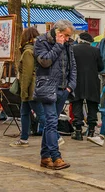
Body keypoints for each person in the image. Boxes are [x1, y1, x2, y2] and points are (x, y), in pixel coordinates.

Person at [33, 20, 76, 170]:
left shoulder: (68, 43)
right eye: (66, 35)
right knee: (51, 122)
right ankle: (56, 157)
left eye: (69, 36)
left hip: (63, 89)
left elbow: (72, 65)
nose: (68, 38)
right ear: (58, 32)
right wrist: (58, 45)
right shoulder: (41, 41)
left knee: (51, 123)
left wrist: (71, 86)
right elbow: (45, 61)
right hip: (47, 88)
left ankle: (45, 157)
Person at [10, 27, 45, 147]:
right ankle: (24, 138)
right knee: (24, 112)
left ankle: (55, 136)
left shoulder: (28, 52)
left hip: (31, 89)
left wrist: (24, 91)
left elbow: (27, 74)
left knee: (41, 114)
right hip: (35, 86)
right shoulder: (36, 50)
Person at [71, 32, 103, 140]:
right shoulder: (96, 50)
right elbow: (101, 67)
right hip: (92, 81)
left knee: (77, 104)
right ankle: (91, 130)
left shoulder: (73, 49)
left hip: (76, 81)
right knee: (92, 105)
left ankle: (78, 130)